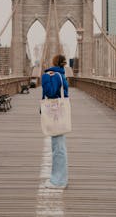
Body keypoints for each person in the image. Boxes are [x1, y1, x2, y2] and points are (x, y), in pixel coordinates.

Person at [41, 54, 69, 189]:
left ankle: (58, 181)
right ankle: (58, 178)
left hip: (56, 114)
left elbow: (50, 92)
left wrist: (46, 77)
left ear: (54, 63)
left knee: (58, 148)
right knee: (58, 146)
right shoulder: (61, 76)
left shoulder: (54, 76)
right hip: (60, 113)